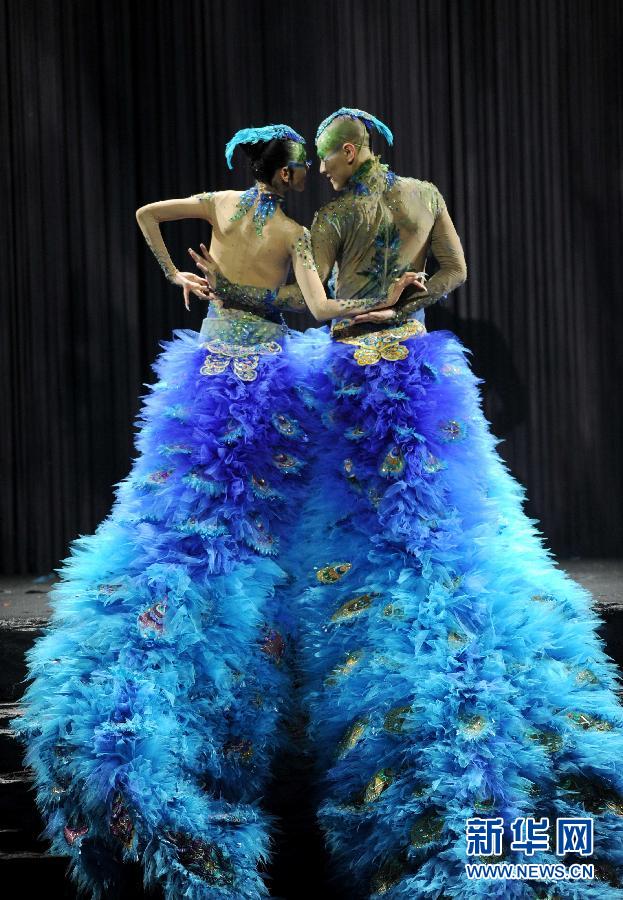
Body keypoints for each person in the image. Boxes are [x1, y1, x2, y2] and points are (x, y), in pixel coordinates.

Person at [201, 109, 623, 897]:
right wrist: (412, 297)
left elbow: (311, 305)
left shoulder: (328, 216)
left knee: (357, 525)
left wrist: (226, 286)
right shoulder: (425, 196)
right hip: (420, 368)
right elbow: (454, 273)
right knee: (434, 517)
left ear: (353, 151)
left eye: (327, 157)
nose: (321, 171)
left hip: (356, 371)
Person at [11, 122, 421, 900]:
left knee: (207, 504)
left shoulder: (219, 202)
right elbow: (318, 310)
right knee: (236, 509)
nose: (303, 174)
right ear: (282, 168)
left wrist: (184, 278)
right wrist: (382, 301)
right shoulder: (294, 231)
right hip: (260, 371)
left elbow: (144, 217)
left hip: (214, 366)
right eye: (298, 164)